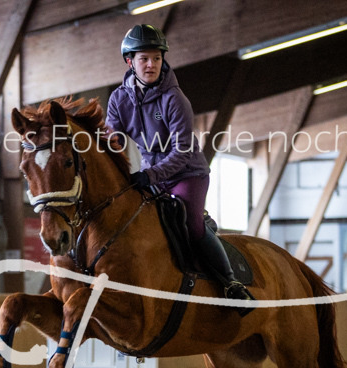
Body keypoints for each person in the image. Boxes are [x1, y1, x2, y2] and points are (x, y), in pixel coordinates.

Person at [106, 24, 254, 304]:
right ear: (130, 62)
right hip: (152, 176)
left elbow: (182, 152)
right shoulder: (118, 99)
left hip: (188, 174)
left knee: (191, 225)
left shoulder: (175, 99)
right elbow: (111, 137)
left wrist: (149, 175)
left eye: (157, 58)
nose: (151, 64)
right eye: (144, 59)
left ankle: (231, 283)